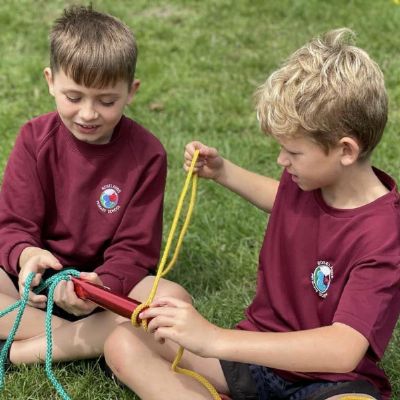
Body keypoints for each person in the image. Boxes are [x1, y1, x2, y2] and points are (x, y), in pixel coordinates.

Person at [103, 28, 400, 400]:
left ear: (346, 151)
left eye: (293, 152)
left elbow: (343, 348)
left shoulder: (385, 236)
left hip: (329, 382)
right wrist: (224, 172)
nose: (281, 160)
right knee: (123, 342)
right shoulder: (309, 180)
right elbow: (284, 200)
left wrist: (214, 339)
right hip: (253, 356)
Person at [0, 5, 190, 367]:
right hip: (35, 283)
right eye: (74, 98)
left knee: (173, 299)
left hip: (102, 289)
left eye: (106, 101)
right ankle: (82, 338)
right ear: (50, 81)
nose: (88, 113)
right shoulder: (34, 139)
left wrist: (101, 286)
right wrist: (27, 256)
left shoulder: (147, 154)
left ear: (131, 91)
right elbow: (12, 226)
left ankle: (25, 349)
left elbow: (135, 249)